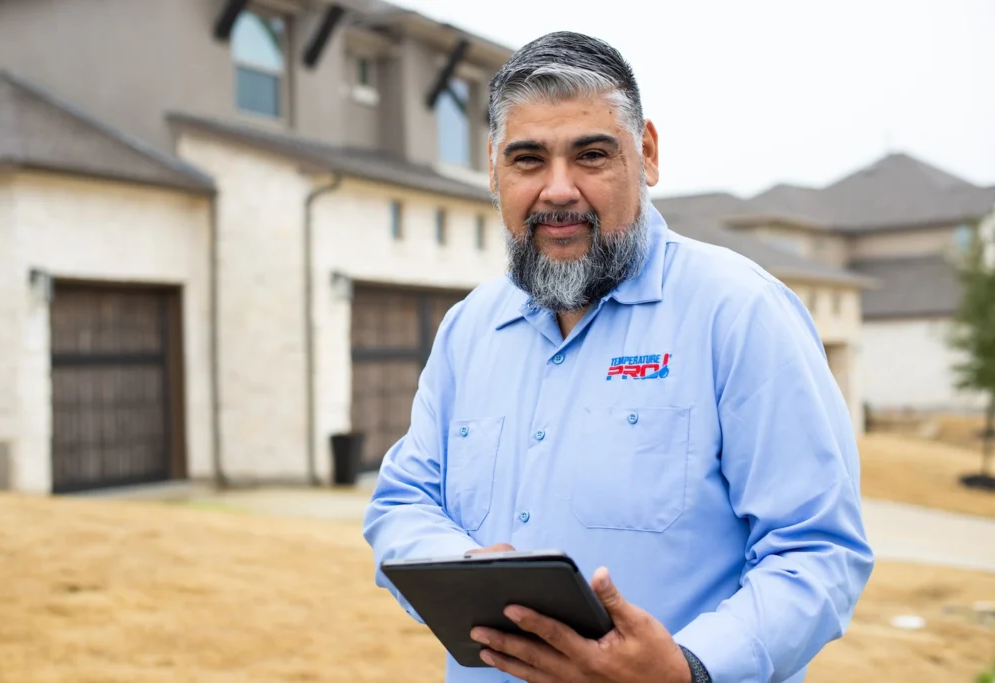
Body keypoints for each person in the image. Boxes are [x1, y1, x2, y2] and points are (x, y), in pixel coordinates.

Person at [363, 30, 874, 683]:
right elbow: (402, 500)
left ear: (648, 154)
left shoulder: (739, 314)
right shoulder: (469, 330)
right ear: (493, 168)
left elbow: (818, 550)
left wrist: (690, 666)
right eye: (527, 160)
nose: (558, 190)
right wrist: (462, 564)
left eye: (591, 155)